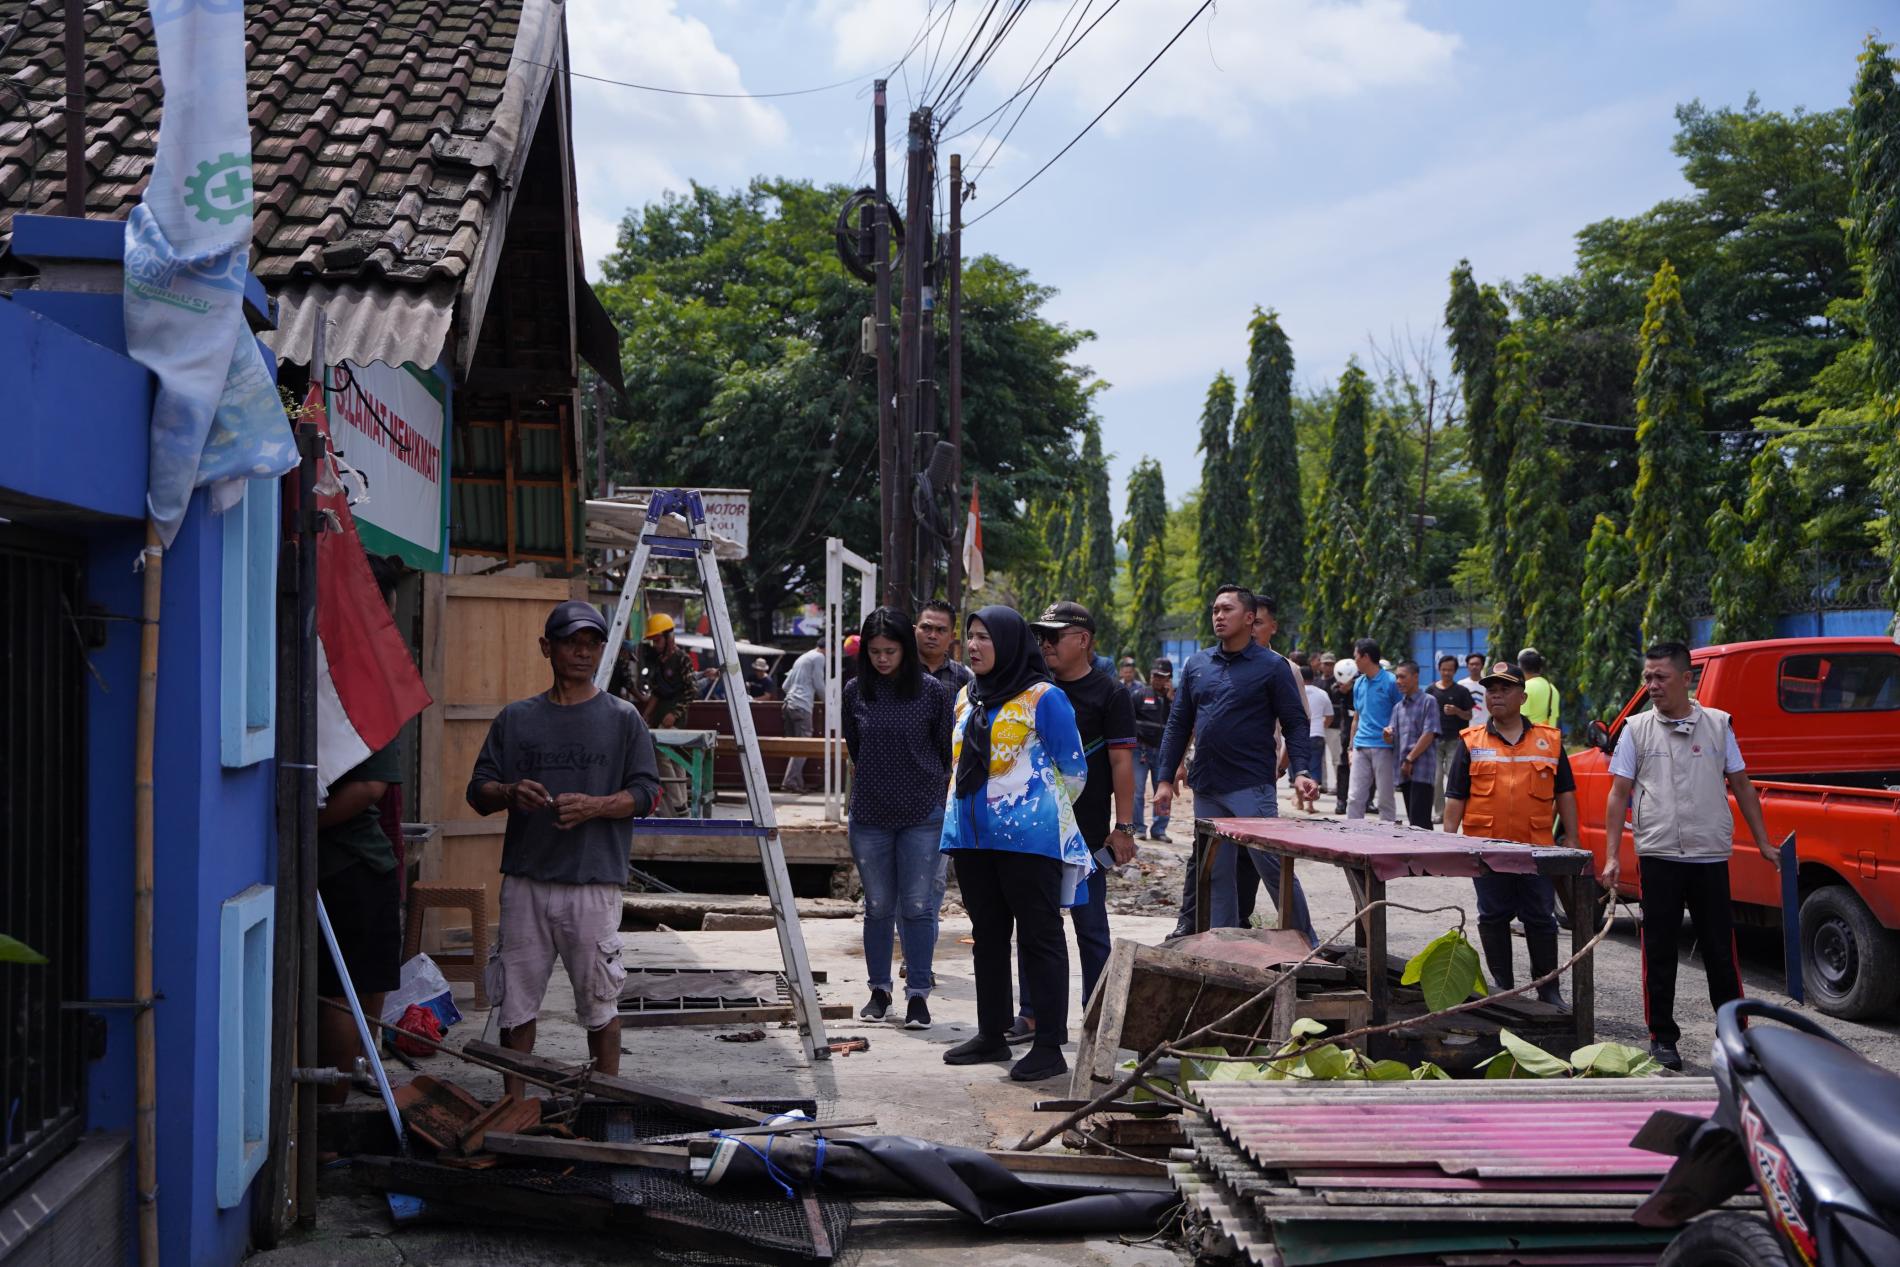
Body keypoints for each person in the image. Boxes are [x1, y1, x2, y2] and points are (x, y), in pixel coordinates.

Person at [467, 600, 662, 1096]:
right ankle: (515, 1104)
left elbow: (647, 793)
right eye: (570, 641)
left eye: (591, 643)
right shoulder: (517, 719)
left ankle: (606, 1102)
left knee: (601, 1003)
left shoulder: (624, 719)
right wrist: (511, 792)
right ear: (545, 647)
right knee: (514, 1004)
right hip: (526, 881)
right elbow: (479, 789)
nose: (581, 651)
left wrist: (596, 806)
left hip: (593, 882)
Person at [1602, 641, 1774, 1072]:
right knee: (1658, 950)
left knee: (1721, 951)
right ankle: (1662, 1038)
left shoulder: (1717, 725)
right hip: (1658, 854)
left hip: (1709, 855)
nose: (1652, 685)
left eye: (1660, 677)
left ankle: (1733, 1036)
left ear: (1686, 679)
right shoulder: (1637, 729)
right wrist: (1610, 857)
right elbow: (1617, 793)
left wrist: (1764, 842)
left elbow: (1743, 785)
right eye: (1647, 677)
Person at [940, 606, 1090, 1082]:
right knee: (986, 935)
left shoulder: (1044, 698)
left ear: (1008, 642)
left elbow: (1074, 773)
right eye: (971, 637)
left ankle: (1048, 1045)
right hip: (970, 838)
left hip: (1029, 840)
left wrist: (1027, 810)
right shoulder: (966, 697)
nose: (975, 646)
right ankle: (991, 1034)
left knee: (1039, 937)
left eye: (986, 637)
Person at [1154, 586, 1320, 939]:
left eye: (1227, 609)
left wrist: (1302, 770)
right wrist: (1165, 778)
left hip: (1251, 787)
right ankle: (1223, 942)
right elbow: (1178, 724)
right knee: (1216, 872)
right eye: (1215, 609)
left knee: (1272, 866)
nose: (1218, 615)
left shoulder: (1272, 668)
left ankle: (1309, 943)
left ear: (1249, 618)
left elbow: (1295, 722)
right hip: (1207, 787)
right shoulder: (1198, 665)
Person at [1007, 602, 1137, 1044]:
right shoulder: (1035, 690)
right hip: (1035, 831)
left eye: (1054, 636)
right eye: (1040, 637)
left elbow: (1121, 762)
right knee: (1034, 925)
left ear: (1082, 640)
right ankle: (1033, 1014)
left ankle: (1096, 1014)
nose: (1045, 645)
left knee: (1090, 927)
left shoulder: (1110, 694)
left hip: (1085, 834)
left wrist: (1125, 827)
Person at [316, 556, 407, 1104]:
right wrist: (298, 828)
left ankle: (350, 1086)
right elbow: (371, 788)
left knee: (361, 985)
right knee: (340, 994)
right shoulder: (358, 671)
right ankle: (331, 1119)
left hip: (354, 860)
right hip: (348, 861)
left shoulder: (332, 660)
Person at [841, 608, 955, 1031]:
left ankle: (919, 995)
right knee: (877, 906)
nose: (882, 659)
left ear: (905, 649)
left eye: (890, 651)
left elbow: (945, 752)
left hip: (922, 814)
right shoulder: (856, 693)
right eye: (874, 652)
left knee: (919, 905)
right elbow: (856, 748)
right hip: (870, 814)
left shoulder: (931, 692)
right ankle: (879, 990)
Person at [1441, 661, 1574, 1007]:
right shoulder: (1471, 741)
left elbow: (1566, 794)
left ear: (1522, 695)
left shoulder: (1550, 740)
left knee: (1540, 918)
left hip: (1537, 850)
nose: (1495, 695)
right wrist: (1446, 841)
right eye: (1490, 689)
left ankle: (1548, 988)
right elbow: (1456, 796)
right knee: (1493, 916)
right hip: (1486, 849)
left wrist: (1571, 838)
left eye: (1504, 688)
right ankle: (1503, 988)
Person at [1347, 639, 1401, 822]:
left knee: (1385, 799)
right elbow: (1357, 717)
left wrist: (1392, 731)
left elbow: (1401, 711)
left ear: (1366, 657)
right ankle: (1352, 837)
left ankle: (1389, 840)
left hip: (1383, 747)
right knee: (1354, 797)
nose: (1354, 661)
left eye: (1356, 657)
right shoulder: (1358, 683)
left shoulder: (1392, 682)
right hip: (1361, 745)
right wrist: (1350, 747)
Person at [1386, 660, 1440, 829]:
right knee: (1413, 821)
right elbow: (1393, 739)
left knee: (1420, 822)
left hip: (1421, 770)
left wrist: (1409, 760)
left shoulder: (1428, 701)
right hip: (1404, 772)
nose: (1398, 681)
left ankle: (1429, 854)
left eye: (1402, 677)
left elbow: (1429, 733)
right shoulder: (1398, 707)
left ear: (1415, 677)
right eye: (1397, 677)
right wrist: (1387, 735)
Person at [1129, 658, 1175, 841]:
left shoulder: (1175, 699)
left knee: (1162, 792)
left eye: (1162, 677)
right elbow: (1128, 721)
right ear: (1150, 675)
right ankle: (1139, 828)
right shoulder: (1139, 695)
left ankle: (1159, 829)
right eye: (1155, 675)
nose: (1158, 680)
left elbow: (1179, 724)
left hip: (1163, 753)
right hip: (1141, 751)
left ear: (1169, 679)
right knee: (1137, 791)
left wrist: (1171, 700)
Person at [1426, 653, 1474, 821]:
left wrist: (1457, 711)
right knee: (1436, 778)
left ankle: (1458, 812)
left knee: (1455, 777)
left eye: (1450, 670)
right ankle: (1440, 813)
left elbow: (1469, 715)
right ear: (1439, 669)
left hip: (1456, 740)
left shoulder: (1462, 691)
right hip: (1435, 740)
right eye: (1444, 669)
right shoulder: (1431, 691)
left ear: (1455, 671)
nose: (1447, 673)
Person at [780, 640, 827, 793]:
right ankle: (791, 781)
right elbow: (819, 683)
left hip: (788, 705)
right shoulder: (819, 657)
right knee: (804, 745)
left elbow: (785, 686)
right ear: (828, 649)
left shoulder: (802, 658)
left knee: (795, 747)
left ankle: (796, 782)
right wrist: (830, 703)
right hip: (802, 706)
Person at [634, 613, 697, 727]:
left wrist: (675, 714)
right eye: (653, 641)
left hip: (674, 722)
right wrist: (646, 715)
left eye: (657, 641)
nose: (655, 645)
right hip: (658, 717)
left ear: (669, 637)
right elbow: (656, 692)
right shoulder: (659, 661)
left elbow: (691, 691)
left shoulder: (682, 659)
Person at [916, 599, 976, 693]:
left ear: (952, 637)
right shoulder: (899, 670)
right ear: (914, 631)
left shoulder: (964, 676)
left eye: (941, 630)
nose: (932, 636)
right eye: (926, 628)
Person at [1298, 664, 1331, 813]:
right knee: (1315, 769)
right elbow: (1329, 716)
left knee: (1300, 769)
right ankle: (1310, 804)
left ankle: (1299, 802)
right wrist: (1321, 726)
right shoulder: (1322, 693)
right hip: (1317, 734)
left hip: (1299, 735)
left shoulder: (1295, 692)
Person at [1519, 647, 1561, 730]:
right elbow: (1554, 717)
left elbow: (1520, 720)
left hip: (1529, 740)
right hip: (1550, 738)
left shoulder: (1524, 688)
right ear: (1540, 668)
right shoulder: (1552, 688)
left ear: (1521, 669)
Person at [1460, 652, 1490, 728]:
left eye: (1477, 664)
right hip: (1466, 728)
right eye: (1471, 664)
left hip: (1485, 726)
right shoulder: (1461, 685)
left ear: (1482, 666)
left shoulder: (1489, 684)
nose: (1474, 667)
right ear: (1467, 666)